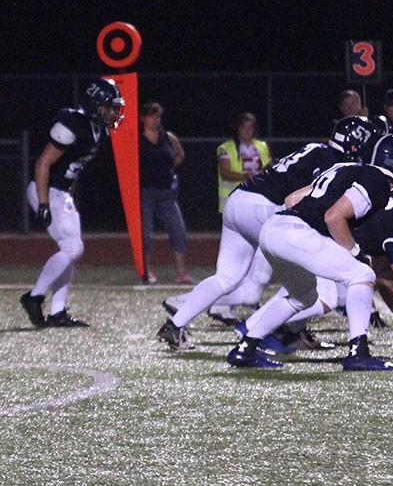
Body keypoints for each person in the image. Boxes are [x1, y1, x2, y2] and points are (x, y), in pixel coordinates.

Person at [157, 116, 380, 350]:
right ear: (356, 144)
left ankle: (174, 325)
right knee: (312, 289)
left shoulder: (317, 149)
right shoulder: (333, 162)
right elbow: (300, 201)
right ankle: (259, 334)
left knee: (226, 278)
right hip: (266, 207)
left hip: (239, 200)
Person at [227, 134, 393, 371]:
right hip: (298, 232)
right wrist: (355, 252)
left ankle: (246, 348)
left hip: (274, 228)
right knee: (363, 274)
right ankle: (359, 352)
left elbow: (291, 199)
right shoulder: (376, 180)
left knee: (302, 297)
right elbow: (334, 217)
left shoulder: (342, 167)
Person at [20, 78, 124, 328]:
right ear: (96, 105)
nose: (113, 112)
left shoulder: (96, 127)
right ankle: (34, 297)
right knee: (72, 248)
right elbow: (42, 163)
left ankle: (57, 312)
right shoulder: (72, 123)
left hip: (62, 194)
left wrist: (67, 197)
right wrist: (43, 203)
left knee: (71, 250)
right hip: (47, 190)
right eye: (109, 106)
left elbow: (72, 168)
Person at [139, 102, 193, 285]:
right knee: (145, 233)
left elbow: (180, 154)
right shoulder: (137, 139)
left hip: (167, 193)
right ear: (143, 118)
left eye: (158, 116)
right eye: (152, 115)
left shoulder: (168, 137)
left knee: (178, 231)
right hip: (145, 192)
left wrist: (169, 168)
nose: (155, 119)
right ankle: (146, 270)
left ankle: (181, 273)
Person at [216, 112, 271, 213]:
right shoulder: (225, 148)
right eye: (244, 127)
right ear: (238, 128)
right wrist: (245, 176)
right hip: (233, 200)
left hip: (257, 199)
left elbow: (267, 168)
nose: (247, 131)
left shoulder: (262, 146)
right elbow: (224, 173)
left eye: (250, 127)